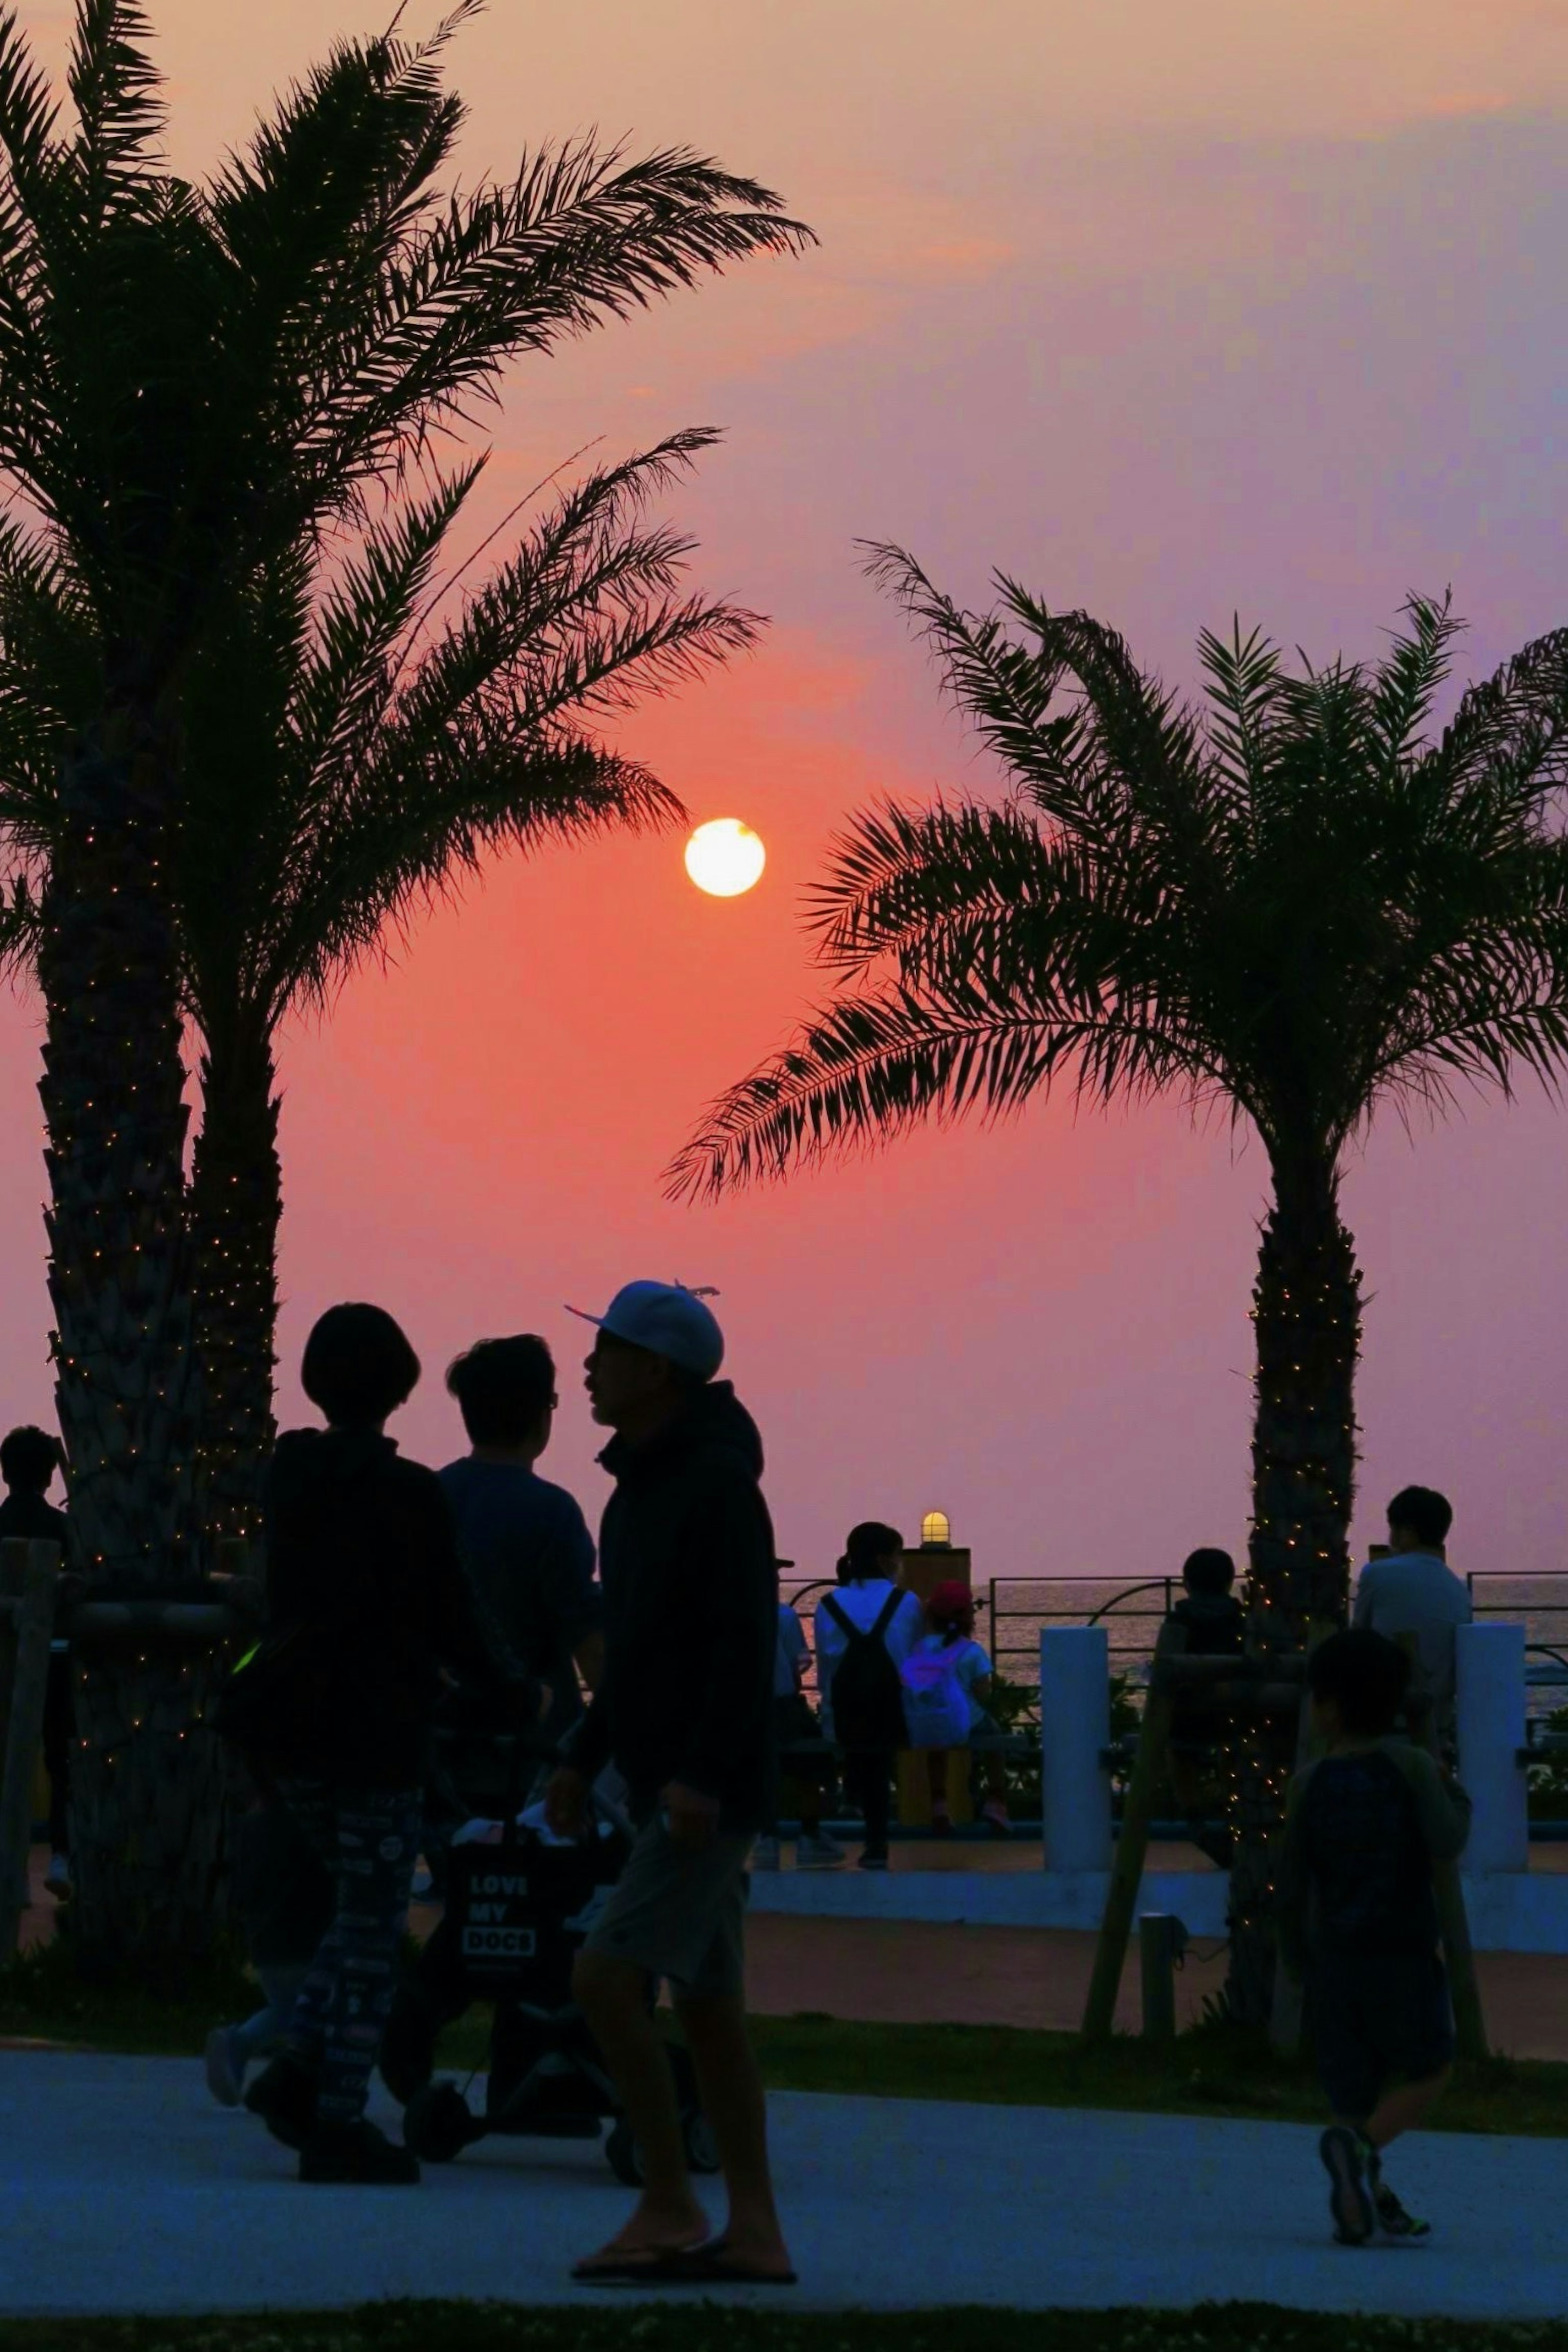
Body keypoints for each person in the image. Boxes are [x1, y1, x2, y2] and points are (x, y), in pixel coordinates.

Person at [225, 1302, 545, 2187]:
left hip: (290, 1734)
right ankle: (334, 2117)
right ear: (401, 1388)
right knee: (370, 1929)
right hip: (373, 1736)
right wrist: (512, 1686)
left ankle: (295, 2072)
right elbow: (452, 1610)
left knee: (358, 1912)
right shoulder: (408, 1496)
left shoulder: (290, 1481)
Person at [544, 1280, 793, 2287]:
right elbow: (640, 1651)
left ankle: (668, 2198)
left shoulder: (715, 1487)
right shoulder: (639, 1488)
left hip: (702, 1794)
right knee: (707, 2003)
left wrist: (698, 1775)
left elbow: (742, 1645)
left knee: (605, 1976)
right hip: (670, 1780)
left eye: (605, 1350)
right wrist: (582, 1749)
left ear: (654, 1369)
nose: (588, 1366)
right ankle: (756, 2228)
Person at [1276, 1627, 1472, 2246]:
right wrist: (1452, 1787)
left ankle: (1366, 2199)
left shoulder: (1307, 1783)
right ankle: (1359, 2155)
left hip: (1335, 1958)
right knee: (1430, 2069)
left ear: (1330, 1705)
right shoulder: (1411, 1767)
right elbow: (1447, 1839)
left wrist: (1296, 1957)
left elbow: (1291, 1879)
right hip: (1403, 1954)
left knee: (1351, 2089)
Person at [440, 1333, 604, 1747]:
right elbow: (584, 1632)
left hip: (446, 1735)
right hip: (540, 1745)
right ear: (540, 1414)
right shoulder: (554, 1512)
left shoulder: (430, 1497)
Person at [204, 1782, 335, 2107]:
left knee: (287, 2008)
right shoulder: (309, 1828)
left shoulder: (252, 1829)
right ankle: (246, 2047)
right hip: (305, 1938)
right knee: (312, 2011)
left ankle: (243, 2044)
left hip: (266, 1941)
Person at [813, 1523, 922, 1872]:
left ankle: (853, 1796)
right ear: (883, 1559)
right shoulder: (906, 1603)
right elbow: (916, 1662)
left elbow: (827, 1670)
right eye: (897, 1556)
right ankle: (876, 1838)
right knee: (879, 1753)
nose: (900, 1563)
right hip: (895, 1713)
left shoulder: (828, 1604)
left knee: (862, 1746)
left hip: (845, 1715)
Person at [0, 1425, 71, 1899]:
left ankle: (11, 1868)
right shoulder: (64, 1528)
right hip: (58, 1655)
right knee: (61, 1754)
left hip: (7, 1659)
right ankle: (63, 1857)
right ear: (49, 1476)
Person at [1352, 1487, 1472, 1738]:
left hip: (1383, 1717)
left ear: (1407, 1532)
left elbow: (1357, 1639)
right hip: (1437, 1719)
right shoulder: (1459, 1589)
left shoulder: (1378, 1573)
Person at [1161, 1547, 1246, 1869]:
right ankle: (1230, 1806)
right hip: (1236, 1721)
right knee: (1235, 1755)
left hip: (1187, 1723)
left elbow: (1165, 1672)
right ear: (1229, 1583)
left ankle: (1194, 1815)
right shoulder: (1242, 1621)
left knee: (1178, 1754)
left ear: (1187, 1584)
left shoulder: (1179, 1620)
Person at [904, 1581, 1010, 1835]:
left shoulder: (920, 1647)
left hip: (927, 1725)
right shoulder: (972, 1651)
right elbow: (983, 1693)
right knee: (996, 1738)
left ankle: (939, 1805)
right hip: (966, 1724)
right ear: (968, 1620)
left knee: (937, 1747)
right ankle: (996, 1800)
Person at [753, 1595, 844, 1871]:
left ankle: (766, 1836)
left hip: (741, 1711)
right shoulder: (783, 1615)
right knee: (811, 1762)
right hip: (780, 1707)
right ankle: (810, 1833)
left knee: (764, 1768)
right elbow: (797, 1667)